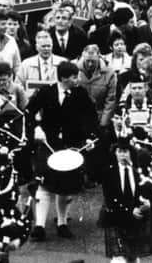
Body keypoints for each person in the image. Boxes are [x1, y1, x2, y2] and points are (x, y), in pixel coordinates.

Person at [25, 61, 98, 240]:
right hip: (48, 142)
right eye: (74, 76)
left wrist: (89, 137)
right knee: (44, 182)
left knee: (64, 185)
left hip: (71, 144)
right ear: (64, 78)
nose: (77, 79)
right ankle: (40, 226)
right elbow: (29, 111)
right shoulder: (46, 92)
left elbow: (91, 117)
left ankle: (62, 223)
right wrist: (36, 129)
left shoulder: (80, 93)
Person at [99, 136, 152, 263]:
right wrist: (130, 210)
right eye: (119, 151)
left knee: (134, 258)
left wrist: (147, 204)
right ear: (115, 153)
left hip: (136, 221)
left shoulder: (139, 172)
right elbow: (110, 198)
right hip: (116, 218)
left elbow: (147, 192)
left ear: (131, 153)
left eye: (125, 151)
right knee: (119, 260)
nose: (122, 155)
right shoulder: (109, 172)